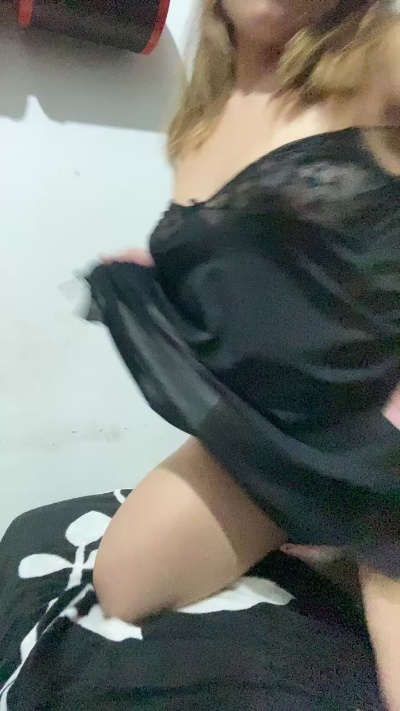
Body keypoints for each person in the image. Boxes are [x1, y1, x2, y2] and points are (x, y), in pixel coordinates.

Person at [89, 1, 400, 708]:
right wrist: (154, 284)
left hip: (379, 431)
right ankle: (314, 520)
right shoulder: (199, 117)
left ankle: (352, 534)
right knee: (124, 582)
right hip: (279, 428)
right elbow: (268, 284)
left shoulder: (384, 52)